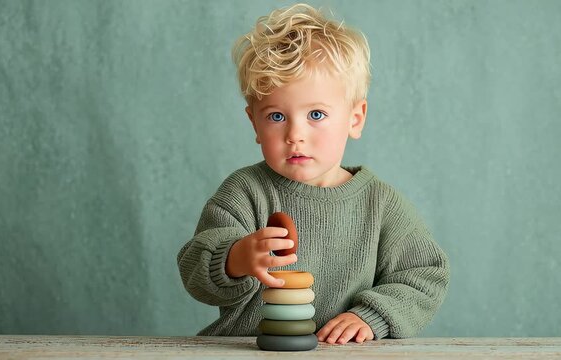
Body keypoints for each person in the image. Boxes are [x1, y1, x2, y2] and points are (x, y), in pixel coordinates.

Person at [177, 3, 450, 345]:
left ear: (355, 118)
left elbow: (425, 274)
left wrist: (372, 315)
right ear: (254, 123)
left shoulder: (379, 204)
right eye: (276, 116)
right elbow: (193, 269)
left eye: (317, 115)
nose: (295, 134)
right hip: (246, 349)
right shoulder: (244, 192)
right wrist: (235, 258)